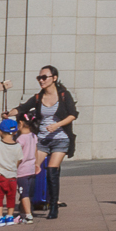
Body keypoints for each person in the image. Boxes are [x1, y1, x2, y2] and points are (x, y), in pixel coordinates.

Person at [26, 65, 80, 219]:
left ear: (54, 78)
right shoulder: (38, 97)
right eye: (39, 77)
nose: (41, 80)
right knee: (31, 168)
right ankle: (27, 202)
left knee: (51, 170)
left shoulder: (64, 95)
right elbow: (23, 108)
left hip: (60, 138)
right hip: (43, 139)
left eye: (44, 77)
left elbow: (72, 115)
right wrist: (9, 113)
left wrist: (56, 125)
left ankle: (53, 205)